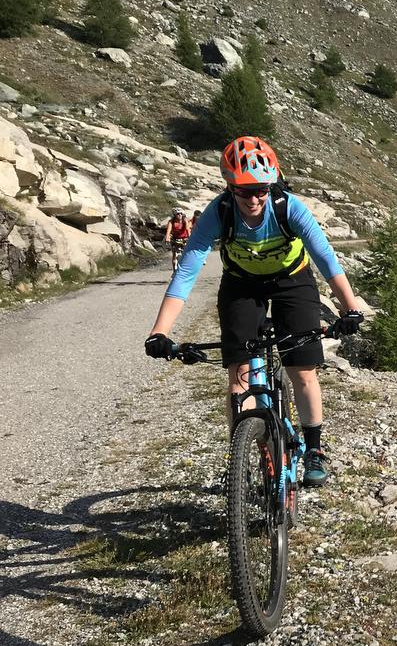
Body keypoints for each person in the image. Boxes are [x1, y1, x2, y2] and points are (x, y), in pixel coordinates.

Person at [143, 136, 363, 487]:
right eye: (244, 191)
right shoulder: (220, 212)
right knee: (240, 374)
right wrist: (160, 331)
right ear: (229, 187)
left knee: (302, 369)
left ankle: (314, 449)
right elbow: (186, 272)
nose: (254, 199)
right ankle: (240, 458)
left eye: (261, 189)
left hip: (292, 280)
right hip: (241, 285)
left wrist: (350, 308)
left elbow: (325, 258)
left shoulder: (288, 207)